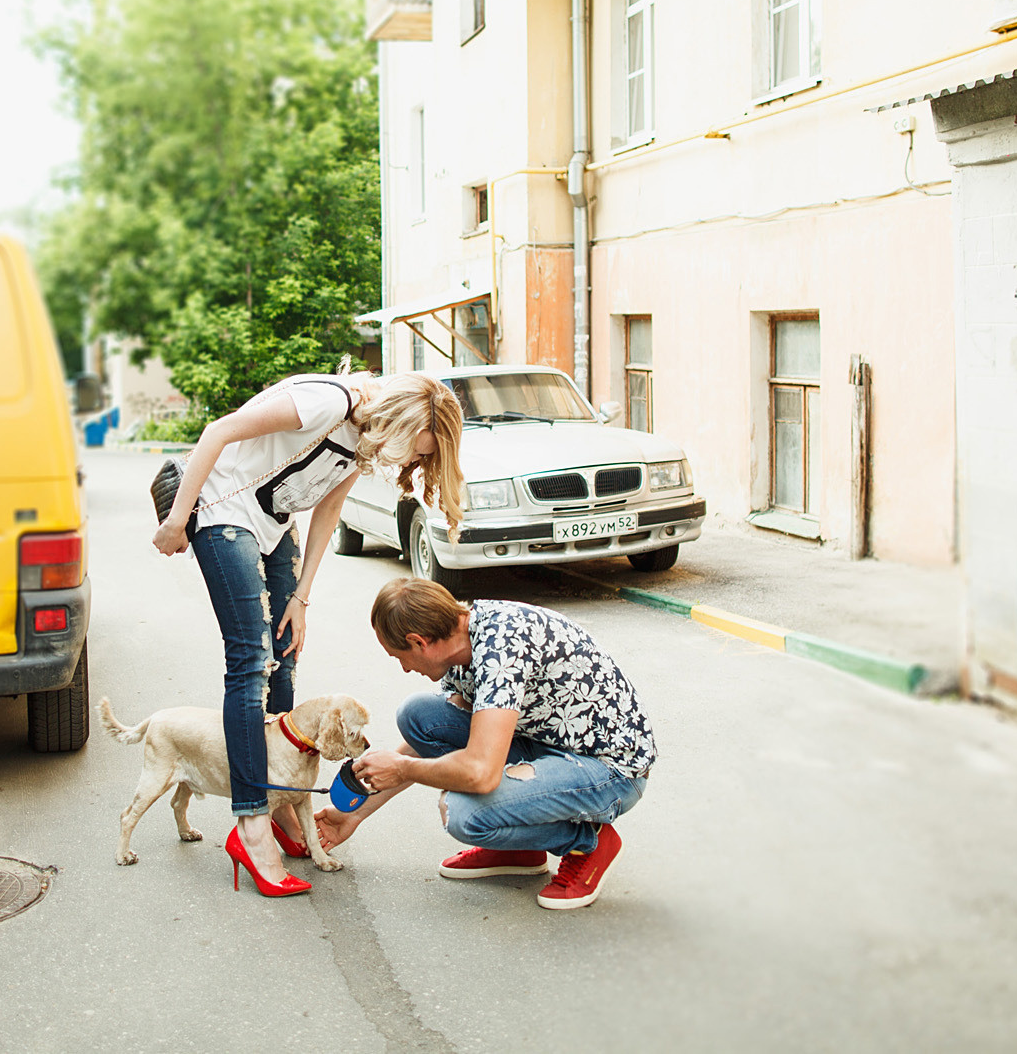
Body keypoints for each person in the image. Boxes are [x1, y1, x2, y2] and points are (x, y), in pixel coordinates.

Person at [153, 370, 465, 897]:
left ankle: (279, 799)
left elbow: (329, 511)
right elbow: (217, 432)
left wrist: (301, 597)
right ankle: (251, 822)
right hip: (222, 509)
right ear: (404, 420)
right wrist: (177, 519)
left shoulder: (362, 440)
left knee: (286, 653)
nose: (413, 461)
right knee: (252, 661)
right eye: (418, 446)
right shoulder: (325, 404)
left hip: (272, 527)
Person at [315, 578, 656, 910]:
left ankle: (590, 842)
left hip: (610, 770)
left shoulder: (500, 649)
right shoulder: (464, 639)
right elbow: (425, 742)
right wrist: (352, 814)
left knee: (464, 813)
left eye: (399, 656)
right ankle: (520, 849)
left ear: (419, 642)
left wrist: (402, 768)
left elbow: (480, 773)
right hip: (550, 743)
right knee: (418, 715)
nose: (404, 668)